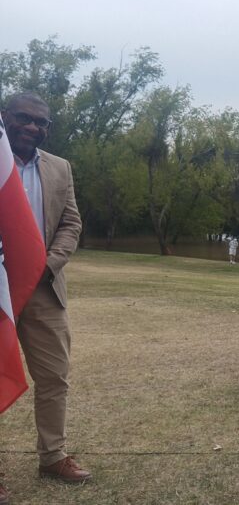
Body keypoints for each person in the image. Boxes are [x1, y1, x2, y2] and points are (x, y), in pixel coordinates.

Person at [0, 93, 91, 495]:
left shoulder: (60, 167)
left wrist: (47, 264)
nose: (32, 127)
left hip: (43, 289)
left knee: (54, 376)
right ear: (5, 117)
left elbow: (71, 222)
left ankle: (53, 456)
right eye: (24, 118)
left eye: (41, 122)